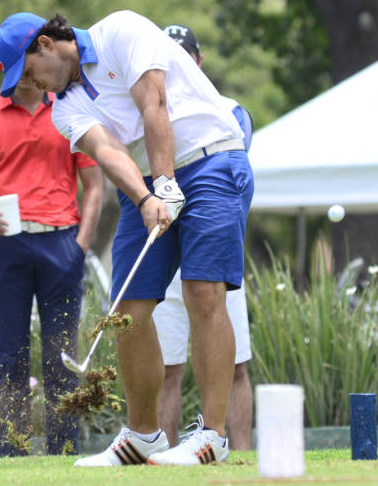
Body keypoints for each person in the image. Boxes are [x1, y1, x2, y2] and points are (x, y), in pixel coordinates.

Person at [0, 10, 254, 466]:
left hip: (213, 159)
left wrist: (167, 184)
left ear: (47, 44)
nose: (34, 87)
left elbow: (154, 102)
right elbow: (108, 150)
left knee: (203, 292)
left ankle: (212, 436)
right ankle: (144, 436)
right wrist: (146, 196)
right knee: (128, 308)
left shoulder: (121, 30)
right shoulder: (66, 106)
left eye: (31, 73)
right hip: (147, 176)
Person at [0, 75, 103, 456]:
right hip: (7, 245)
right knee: (11, 353)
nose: (25, 72)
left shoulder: (70, 112)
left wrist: (81, 245)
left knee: (62, 355)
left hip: (62, 243)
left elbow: (95, 185)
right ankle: (12, 450)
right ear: (5, 65)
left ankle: (64, 449)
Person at [153, 24, 253, 451]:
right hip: (164, 250)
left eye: (183, 55)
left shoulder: (227, 109)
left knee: (236, 368)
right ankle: (161, 454)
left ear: (198, 60)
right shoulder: (148, 106)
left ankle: (240, 454)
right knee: (166, 369)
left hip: (213, 248)